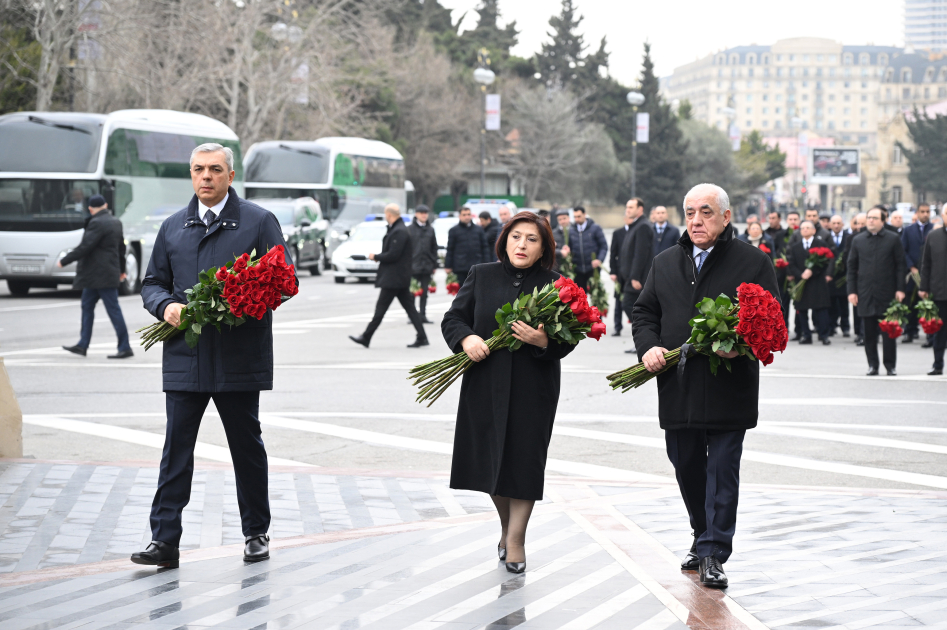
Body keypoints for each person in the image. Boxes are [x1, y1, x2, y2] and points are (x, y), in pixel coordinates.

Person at [135, 143, 296, 569]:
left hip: (240, 357)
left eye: (214, 170)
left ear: (230, 175)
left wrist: (239, 303)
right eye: (198, 170)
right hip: (185, 356)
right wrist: (165, 306)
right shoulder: (173, 227)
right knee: (176, 451)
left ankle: (255, 533)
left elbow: (284, 279)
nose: (205, 177)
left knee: (246, 448)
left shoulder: (259, 222)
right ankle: (164, 540)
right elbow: (152, 282)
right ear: (191, 175)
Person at [634, 183, 779, 589]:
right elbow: (644, 311)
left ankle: (715, 551)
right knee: (687, 467)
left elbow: (772, 319)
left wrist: (744, 346)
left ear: (726, 217)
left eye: (706, 212)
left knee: (721, 470)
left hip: (729, 386)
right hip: (677, 385)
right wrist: (648, 348)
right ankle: (702, 536)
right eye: (690, 212)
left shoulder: (753, 262)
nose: (696, 220)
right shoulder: (665, 262)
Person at [442, 211, 574, 574]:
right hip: (485, 382)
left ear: (544, 247)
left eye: (532, 239)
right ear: (505, 240)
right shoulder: (481, 275)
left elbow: (568, 338)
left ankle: (516, 540)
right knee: (489, 461)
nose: (522, 244)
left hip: (534, 387)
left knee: (525, 462)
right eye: (517, 236)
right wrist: (466, 338)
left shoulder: (555, 284)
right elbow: (453, 318)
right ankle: (506, 527)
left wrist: (543, 340)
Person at [58, 194, 133, 359]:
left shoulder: (97, 223)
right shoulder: (115, 222)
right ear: (105, 205)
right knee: (90, 307)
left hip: (98, 275)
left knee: (109, 310)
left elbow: (86, 246)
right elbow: (121, 248)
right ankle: (82, 345)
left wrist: (65, 260)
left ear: (91, 209)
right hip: (105, 274)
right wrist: (121, 269)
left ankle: (125, 346)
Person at [349, 204, 428, 349]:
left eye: (386, 215)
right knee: (410, 309)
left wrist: (376, 256)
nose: (386, 217)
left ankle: (366, 337)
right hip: (398, 278)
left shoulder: (399, 231)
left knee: (381, 309)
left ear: (390, 215)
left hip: (394, 279)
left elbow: (393, 254)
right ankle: (422, 337)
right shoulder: (398, 229)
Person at [848, 207, 907, 376]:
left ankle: (890, 365)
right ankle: (872, 365)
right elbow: (851, 268)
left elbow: (900, 266)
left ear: (883, 220)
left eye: (874, 218)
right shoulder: (858, 240)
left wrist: (900, 289)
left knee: (889, 332)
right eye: (869, 218)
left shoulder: (893, 239)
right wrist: (852, 291)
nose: (871, 221)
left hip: (887, 293)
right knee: (869, 334)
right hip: (865, 293)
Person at [788, 221, 833, 345]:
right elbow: (791, 263)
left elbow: (825, 261)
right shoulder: (795, 246)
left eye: (808, 228)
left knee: (821, 310)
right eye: (803, 228)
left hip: (817, 282)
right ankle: (806, 335)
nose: (805, 230)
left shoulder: (821, 244)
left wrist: (812, 271)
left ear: (814, 230)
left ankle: (824, 335)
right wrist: (800, 274)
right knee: (801, 310)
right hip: (802, 282)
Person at [619, 198, 654, 354]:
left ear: (640, 209)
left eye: (631, 207)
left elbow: (641, 254)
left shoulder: (643, 226)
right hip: (630, 277)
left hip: (637, 279)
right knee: (632, 307)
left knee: (630, 306)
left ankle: (645, 339)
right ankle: (641, 340)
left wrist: (635, 277)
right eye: (627, 207)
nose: (627, 210)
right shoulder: (635, 225)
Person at [902, 203, 933, 345]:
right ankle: (910, 331)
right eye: (922, 211)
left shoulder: (934, 230)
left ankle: (930, 335)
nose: (925, 214)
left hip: (929, 274)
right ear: (917, 213)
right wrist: (911, 267)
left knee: (928, 304)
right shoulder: (908, 230)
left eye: (928, 211)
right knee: (911, 303)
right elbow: (903, 250)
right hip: (913, 273)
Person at [919, 220, 947, 375]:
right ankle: (938, 364)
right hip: (939, 292)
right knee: (939, 332)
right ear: (943, 216)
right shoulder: (934, 236)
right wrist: (924, 287)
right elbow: (926, 264)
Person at [609, 200, 638, 337]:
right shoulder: (618, 233)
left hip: (632, 272)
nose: (629, 219)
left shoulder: (636, 230)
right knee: (619, 300)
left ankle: (635, 325)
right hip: (620, 272)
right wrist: (613, 271)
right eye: (627, 217)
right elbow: (613, 254)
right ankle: (617, 326)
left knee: (630, 300)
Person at [445, 206, 489, 287]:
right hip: (459, 268)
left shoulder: (479, 230)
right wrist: (448, 266)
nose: (467, 217)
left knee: (476, 292)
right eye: (464, 215)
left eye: (468, 214)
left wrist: (486, 264)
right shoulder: (453, 230)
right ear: (460, 216)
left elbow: (485, 248)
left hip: (476, 267)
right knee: (462, 294)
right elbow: (450, 249)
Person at [408, 205, 438, 324]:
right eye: (421, 213)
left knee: (424, 293)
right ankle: (412, 316)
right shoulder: (409, 229)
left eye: (425, 213)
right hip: (413, 266)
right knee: (412, 293)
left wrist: (434, 264)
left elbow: (434, 247)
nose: (424, 215)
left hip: (427, 266)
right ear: (416, 214)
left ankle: (423, 315)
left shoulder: (430, 229)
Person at [567, 206, 608, 289]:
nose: (577, 219)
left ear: (584, 214)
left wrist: (599, 259)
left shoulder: (595, 228)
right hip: (578, 270)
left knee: (596, 297)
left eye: (579, 216)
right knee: (580, 298)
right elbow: (569, 248)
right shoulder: (571, 230)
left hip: (593, 269)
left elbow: (604, 246)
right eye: (575, 217)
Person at [827, 215, 852, 338]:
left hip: (844, 276)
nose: (836, 225)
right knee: (831, 303)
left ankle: (845, 327)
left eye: (838, 223)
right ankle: (831, 326)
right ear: (830, 225)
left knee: (844, 304)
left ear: (843, 224)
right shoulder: (826, 237)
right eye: (834, 223)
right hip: (830, 276)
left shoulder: (849, 237)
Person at [847, 213, 868, 344]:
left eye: (862, 224)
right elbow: (848, 259)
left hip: (871, 278)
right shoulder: (852, 239)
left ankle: (866, 333)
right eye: (857, 223)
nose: (860, 226)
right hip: (858, 277)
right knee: (857, 308)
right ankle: (859, 333)